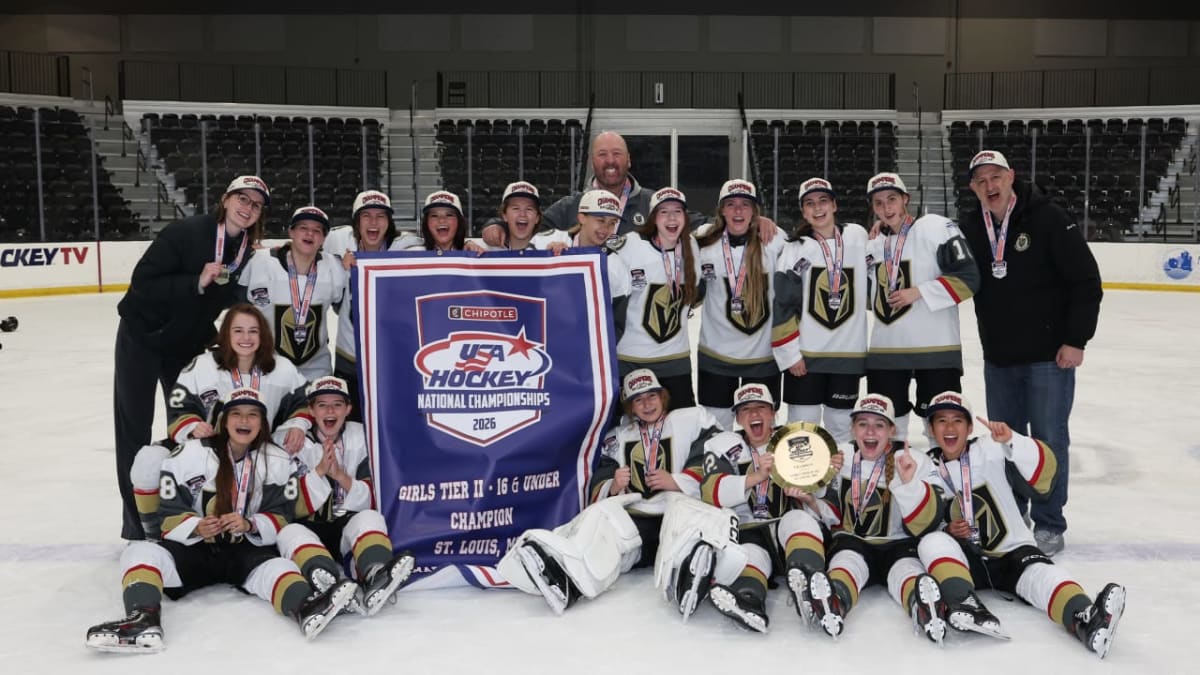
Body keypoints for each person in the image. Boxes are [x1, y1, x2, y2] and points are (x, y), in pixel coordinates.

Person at [85, 388, 359, 653]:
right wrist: (196, 526)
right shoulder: (189, 454)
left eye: (252, 415)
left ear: (262, 422)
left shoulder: (276, 459)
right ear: (223, 420)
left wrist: (250, 524)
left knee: (277, 567)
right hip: (196, 550)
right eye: (236, 414)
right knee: (139, 551)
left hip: (244, 549)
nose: (244, 421)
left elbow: (282, 515)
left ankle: (306, 607)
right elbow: (167, 516)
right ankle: (143, 620)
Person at [957, 150, 1103, 556]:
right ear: (973, 188)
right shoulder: (971, 226)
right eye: (981, 180)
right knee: (1004, 441)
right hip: (999, 360)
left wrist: (1076, 340)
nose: (990, 185)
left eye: (996, 176)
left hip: (1048, 359)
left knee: (1048, 441)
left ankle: (1050, 522)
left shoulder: (1050, 218)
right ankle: (1011, 512)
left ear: (1011, 176)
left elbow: (1086, 282)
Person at [495, 369, 730, 616]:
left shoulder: (691, 419)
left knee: (685, 525)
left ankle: (689, 577)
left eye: (652, 396)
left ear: (663, 397)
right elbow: (601, 474)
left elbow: (715, 447)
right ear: (629, 407)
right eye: (638, 400)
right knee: (603, 520)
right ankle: (567, 580)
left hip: (677, 511)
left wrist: (680, 481)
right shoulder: (616, 438)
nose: (647, 404)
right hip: (640, 522)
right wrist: (613, 485)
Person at [114, 175, 268, 540]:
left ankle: (180, 513)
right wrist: (195, 281)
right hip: (142, 337)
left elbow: (224, 297)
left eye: (255, 205)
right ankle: (136, 525)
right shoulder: (184, 232)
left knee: (186, 427)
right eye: (241, 199)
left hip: (183, 344)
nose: (247, 208)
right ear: (225, 200)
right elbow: (143, 284)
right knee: (133, 430)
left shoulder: (246, 249)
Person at [917, 391, 1124, 658]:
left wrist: (1013, 440)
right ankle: (965, 603)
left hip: (1013, 553)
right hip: (966, 563)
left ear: (969, 427)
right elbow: (919, 521)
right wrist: (947, 529)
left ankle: (1086, 618)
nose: (949, 427)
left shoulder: (990, 448)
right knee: (931, 541)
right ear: (931, 429)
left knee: (1043, 575)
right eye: (941, 420)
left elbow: (1046, 469)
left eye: (957, 420)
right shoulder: (925, 466)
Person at [795, 393, 948, 642]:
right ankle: (834, 601)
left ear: (892, 430)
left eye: (879, 425)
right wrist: (812, 498)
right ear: (852, 428)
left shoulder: (912, 459)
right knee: (845, 562)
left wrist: (909, 483)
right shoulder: (839, 457)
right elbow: (833, 516)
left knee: (907, 571)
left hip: (899, 544)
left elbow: (930, 520)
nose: (870, 432)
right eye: (863, 424)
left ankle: (923, 607)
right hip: (853, 542)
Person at [695, 383, 843, 634]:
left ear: (774, 412)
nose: (754, 415)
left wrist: (812, 493)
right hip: (752, 533)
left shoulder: (798, 440)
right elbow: (710, 493)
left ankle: (809, 584)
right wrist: (756, 476)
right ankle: (749, 601)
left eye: (761, 408)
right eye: (746, 410)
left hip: (792, 537)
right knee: (751, 552)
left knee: (797, 517)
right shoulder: (723, 444)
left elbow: (831, 510)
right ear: (738, 417)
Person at [274, 376, 416, 616]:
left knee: (370, 516)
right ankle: (326, 584)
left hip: (344, 526)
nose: (330, 410)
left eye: (337, 404)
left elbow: (372, 496)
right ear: (311, 410)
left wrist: (340, 475)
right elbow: (287, 506)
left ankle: (376, 574)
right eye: (322, 405)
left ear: (348, 409)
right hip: (307, 525)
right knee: (288, 532)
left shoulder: (361, 436)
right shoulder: (290, 440)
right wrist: (319, 472)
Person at [864, 173, 980, 443]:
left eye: (892, 199)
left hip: (936, 351)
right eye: (878, 203)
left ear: (906, 199)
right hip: (887, 353)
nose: (886, 208)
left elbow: (969, 279)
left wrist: (918, 292)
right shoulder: (874, 245)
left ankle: (942, 484)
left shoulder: (934, 228)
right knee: (888, 434)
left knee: (941, 435)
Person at [772, 178, 870, 443]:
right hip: (806, 358)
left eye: (823, 201)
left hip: (847, 357)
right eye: (810, 204)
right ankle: (800, 486)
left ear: (835, 205)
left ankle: (840, 484)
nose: (817, 208)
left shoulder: (857, 237)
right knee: (801, 429)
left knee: (842, 429)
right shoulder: (795, 249)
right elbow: (783, 305)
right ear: (803, 212)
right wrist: (790, 355)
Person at [694, 179, 786, 429]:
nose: (737, 211)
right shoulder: (703, 241)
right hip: (716, 358)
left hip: (763, 358)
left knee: (761, 432)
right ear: (721, 210)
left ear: (755, 212)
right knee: (717, 433)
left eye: (745, 205)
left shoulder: (774, 241)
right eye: (731, 204)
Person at [323, 191, 416, 422]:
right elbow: (301, 244)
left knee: (392, 423)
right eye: (366, 216)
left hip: (391, 359)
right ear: (356, 221)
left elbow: (442, 252)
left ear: (389, 222)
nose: (373, 222)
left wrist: (488, 232)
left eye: (380, 216)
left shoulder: (407, 245)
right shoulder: (338, 240)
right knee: (351, 427)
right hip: (350, 357)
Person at [608, 187, 704, 408]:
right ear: (653, 217)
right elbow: (596, 268)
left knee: (681, 424)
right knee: (628, 429)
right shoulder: (630, 245)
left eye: (677, 211)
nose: (671, 218)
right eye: (663, 212)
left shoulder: (691, 247)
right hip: (631, 360)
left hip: (675, 360)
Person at [238, 206, 348, 381]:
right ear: (291, 232)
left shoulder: (334, 267)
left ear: (323, 239)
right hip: (267, 370)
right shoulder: (260, 262)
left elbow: (349, 310)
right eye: (303, 228)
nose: (309, 234)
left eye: (317, 230)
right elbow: (237, 309)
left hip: (316, 372)